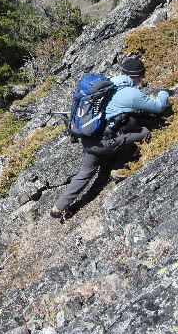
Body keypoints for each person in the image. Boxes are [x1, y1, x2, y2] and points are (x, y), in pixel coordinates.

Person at [50, 56, 170, 219]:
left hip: (88, 139)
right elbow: (159, 107)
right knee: (145, 132)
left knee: (85, 173)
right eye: (141, 77)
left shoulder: (108, 83)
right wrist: (164, 93)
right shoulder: (131, 94)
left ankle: (58, 207)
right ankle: (120, 169)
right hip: (104, 143)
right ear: (137, 76)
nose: (142, 80)